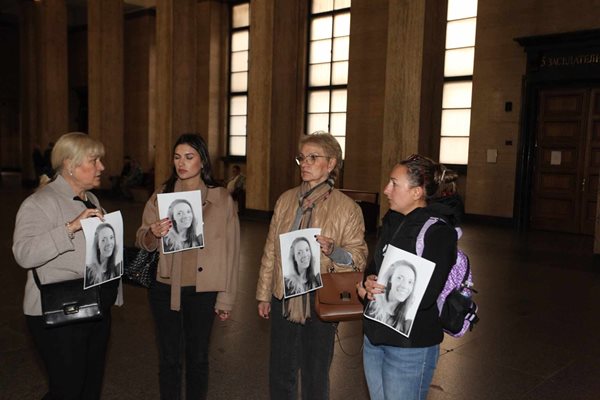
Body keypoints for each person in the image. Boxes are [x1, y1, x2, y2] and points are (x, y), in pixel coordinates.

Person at [256, 131, 368, 399]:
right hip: (284, 294)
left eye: (313, 157)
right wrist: (263, 294)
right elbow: (271, 249)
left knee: (316, 371)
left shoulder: (347, 208)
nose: (304, 163)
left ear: (331, 164)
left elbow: (360, 257)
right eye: (301, 158)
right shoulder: (286, 200)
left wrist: (334, 251)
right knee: (281, 370)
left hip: (321, 298)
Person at [12, 132, 121, 400]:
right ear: (70, 165)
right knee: (67, 389)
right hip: (59, 311)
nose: (102, 168)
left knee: (90, 386)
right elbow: (23, 253)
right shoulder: (39, 202)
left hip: (94, 306)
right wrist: (71, 227)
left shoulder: (92, 200)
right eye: (94, 161)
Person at [136, 133, 240, 400]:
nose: (181, 163)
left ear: (202, 161)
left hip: (203, 290)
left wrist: (225, 300)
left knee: (198, 358)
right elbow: (142, 239)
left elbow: (232, 251)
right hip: (165, 287)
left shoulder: (221, 199)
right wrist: (152, 233)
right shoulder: (162, 195)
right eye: (177, 157)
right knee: (169, 358)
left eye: (189, 157)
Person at [358, 154, 462, 400]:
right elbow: (374, 266)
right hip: (375, 337)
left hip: (410, 347)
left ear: (417, 192)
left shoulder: (438, 233)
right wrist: (368, 283)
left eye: (394, 183)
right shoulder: (392, 221)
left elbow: (425, 297)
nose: (386, 190)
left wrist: (386, 288)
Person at [364, 260, 417, 334]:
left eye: (410, 282)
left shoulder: (406, 325)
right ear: (390, 279)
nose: (405, 286)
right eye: (399, 278)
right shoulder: (372, 307)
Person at [85, 222, 121, 288]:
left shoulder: (118, 269)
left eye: (111, 237)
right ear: (97, 245)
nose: (109, 243)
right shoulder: (88, 272)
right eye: (103, 240)